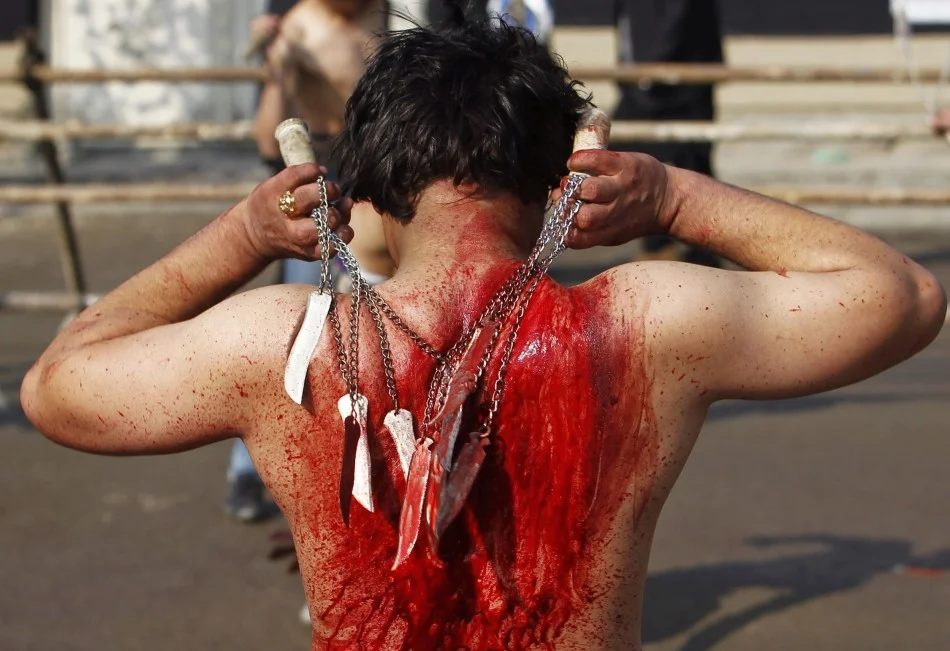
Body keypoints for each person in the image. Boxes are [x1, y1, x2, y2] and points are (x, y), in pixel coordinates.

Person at [21, 14, 946, 650]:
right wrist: (674, 194)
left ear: (373, 183)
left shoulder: (273, 347)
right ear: (555, 175)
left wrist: (242, 236)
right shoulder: (647, 324)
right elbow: (901, 295)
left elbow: (57, 386)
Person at [226, 0, 393, 522]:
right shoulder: (298, 24)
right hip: (314, 177)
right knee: (295, 338)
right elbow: (265, 134)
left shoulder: (389, 16)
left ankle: (370, 466)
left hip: (380, 178)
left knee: (379, 332)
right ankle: (248, 472)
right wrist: (279, 67)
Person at [613, 0, 724, 267]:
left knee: (691, 160)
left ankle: (698, 249)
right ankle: (659, 244)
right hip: (644, 77)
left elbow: (681, 15)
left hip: (676, 79)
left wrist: (650, 69)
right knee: (641, 154)